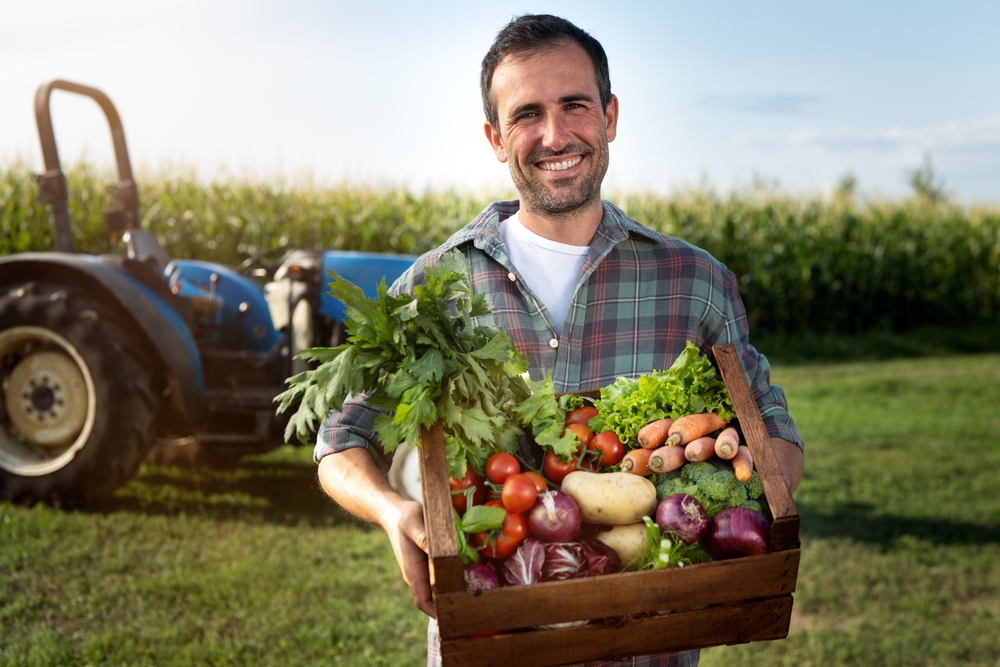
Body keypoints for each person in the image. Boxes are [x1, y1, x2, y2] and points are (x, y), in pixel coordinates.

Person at [314, 13, 804, 667]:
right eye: (526, 114)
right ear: (495, 138)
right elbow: (339, 439)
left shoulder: (695, 283)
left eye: (575, 105)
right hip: (491, 646)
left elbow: (773, 427)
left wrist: (744, 505)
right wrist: (391, 511)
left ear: (610, 116)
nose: (554, 135)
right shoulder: (432, 288)